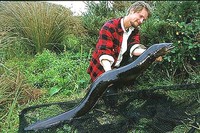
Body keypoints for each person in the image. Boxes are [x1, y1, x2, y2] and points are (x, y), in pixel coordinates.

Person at [87, 1, 162, 107]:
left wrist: (152, 54)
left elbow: (134, 48)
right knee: (111, 101)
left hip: (118, 67)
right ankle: (108, 85)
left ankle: (125, 82)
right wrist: (109, 77)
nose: (141, 21)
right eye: (140, 16)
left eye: (143, 19)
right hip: (104, 69)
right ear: (132, 11)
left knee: (139, 56)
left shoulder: (134, 30)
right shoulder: (109, 27)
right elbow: (104, 54)